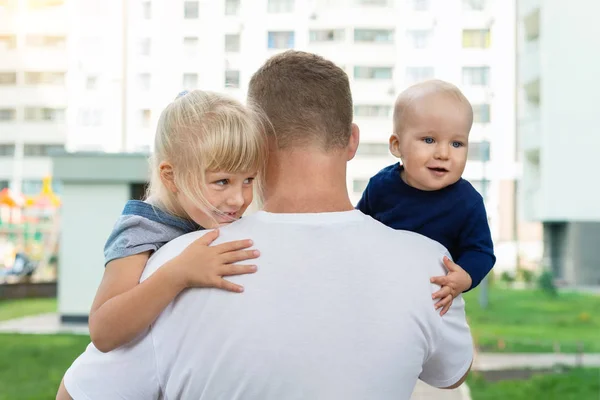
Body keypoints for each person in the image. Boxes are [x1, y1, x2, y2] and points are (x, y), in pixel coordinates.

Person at [58, 51, 473, 400]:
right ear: (351, 140)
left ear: (256, 139)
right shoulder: (433, 268)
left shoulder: (185, 262)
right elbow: (451, 372)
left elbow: (75, 394)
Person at [83, 90, 267, 353]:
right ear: (171, 177)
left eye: (248, 179)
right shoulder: (142, 229)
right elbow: (102, 332)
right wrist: (177, 274)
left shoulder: (214, 217)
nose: (239, 199)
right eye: (222, 181)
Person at [357, 80, 496, 315]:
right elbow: (358, 230)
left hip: (438, 303)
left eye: (456, 143)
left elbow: (480, 251)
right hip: (382, 299)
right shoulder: (381, 187)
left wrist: (464, 277)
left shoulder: (467, 202)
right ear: (397, 145)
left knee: (451, 350)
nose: (443, 153)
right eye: (429, 140)